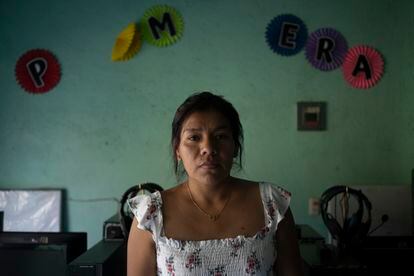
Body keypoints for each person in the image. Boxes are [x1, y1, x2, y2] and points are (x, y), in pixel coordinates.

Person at [127, 91, 303, 275]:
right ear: (177, 149)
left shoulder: (272, 204)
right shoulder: (150, 215)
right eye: (194, 138)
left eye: (221, 136)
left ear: (235, 147)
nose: (209, 149)